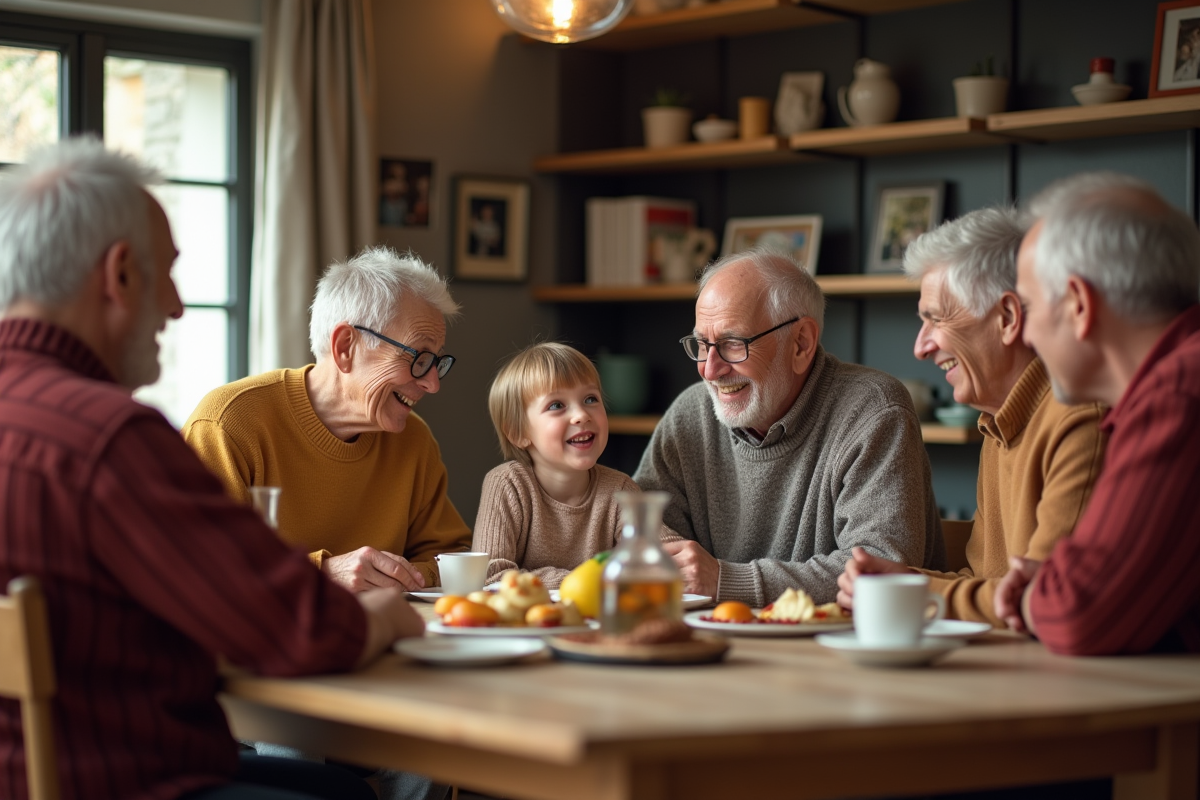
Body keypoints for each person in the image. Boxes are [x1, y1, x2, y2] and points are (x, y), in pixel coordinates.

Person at [0, 137, 424, 800]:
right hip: (121, 777)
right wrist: (393, 617)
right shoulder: (110, 440)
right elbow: (300, 631)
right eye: (166, 273)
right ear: (119, 274)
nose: (175, 306)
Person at [834, 208, 1106, 627]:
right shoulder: (997, 425)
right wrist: (901, 581)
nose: (920, 347)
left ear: (1008, 318)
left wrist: (910, 589)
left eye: (936, 319)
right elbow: (983, 584)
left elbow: (1042, 598)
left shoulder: (1080, 420)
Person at [634, 248, 945, 606]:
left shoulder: (874, 411)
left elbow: (881, 570)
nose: (709, 369)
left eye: (733, 344)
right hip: (712, 634)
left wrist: (725, 580)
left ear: (801, 343)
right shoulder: (690, 414)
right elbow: (639, 529)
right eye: (703, 345)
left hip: (847, 639)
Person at [183, 246, 472, 594]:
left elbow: (452, 557)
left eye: (436, 362)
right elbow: (191, 566)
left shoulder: (413, 440)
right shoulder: (228, 424)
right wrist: (322, 574)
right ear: (346, 347)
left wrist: (399, 575)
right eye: (419, 358)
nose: (432, 384)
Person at [996, 171, 1200, 654]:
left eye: (1029, 307)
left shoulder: (1178, 397)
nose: (1026, 336)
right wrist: (1055, 581)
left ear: (1078, 305)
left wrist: (1031, 597)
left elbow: (1079, 614)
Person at [474, 342, 679, 587]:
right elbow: (491, 574)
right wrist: (585, 581)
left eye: (590, 399)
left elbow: (670, 559)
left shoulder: (620, 490)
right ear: (518, 433)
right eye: (556, 405)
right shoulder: (507, 485)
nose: (581, 415)